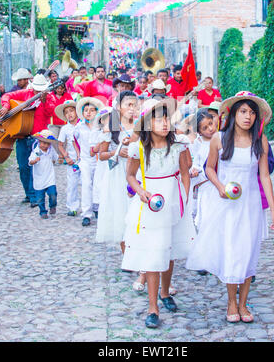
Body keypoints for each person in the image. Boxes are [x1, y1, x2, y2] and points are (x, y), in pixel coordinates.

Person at [186, 92, 274, 323]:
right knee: (231, 250)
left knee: (248, 252)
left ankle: (244, 303)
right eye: (243, 111)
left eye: (252, 112)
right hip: (227, 204)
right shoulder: (219, 138)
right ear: (234, 114)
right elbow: (209, 169)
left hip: (251, 205)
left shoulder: (260, 141)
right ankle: (231, 302)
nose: (248, 117)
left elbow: (265, 175)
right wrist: (219, 186)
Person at [122, 97, 193, 329]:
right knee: (153, 252)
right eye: (158, 119)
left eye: (167, 119)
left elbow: (185, 172)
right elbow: (131, 175)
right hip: (149, 204)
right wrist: (141, 191)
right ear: (147, 124)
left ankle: (165, 292)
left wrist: (183, 198)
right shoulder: (138, 148)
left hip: (172, 202)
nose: (164, 123)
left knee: (167, 248)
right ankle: (153, 306)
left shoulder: (178, 146)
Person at [0, 74, 57, 207]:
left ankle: (35, 196)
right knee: (24, 168)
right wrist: (6, 105)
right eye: (36, 90)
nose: (37, 92)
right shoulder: (25, 93)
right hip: (21, 135)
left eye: (40, 90)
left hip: (39, 138)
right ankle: (29, 194)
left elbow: (51, 112)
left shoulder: (50, 97)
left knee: (36, 168)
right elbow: (6, 96)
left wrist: (44, 102)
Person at [96, 91, 138, 251]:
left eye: (134, 104)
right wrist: (117, 152)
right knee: (122, 210)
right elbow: (102, 155)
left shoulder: (139, 125)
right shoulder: (111, 127)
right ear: (119, 107)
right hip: (118, 172)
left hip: (137, 170)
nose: (132, 108)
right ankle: (126, 252)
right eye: (128, 104)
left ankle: (138, 250)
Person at [73, 97, 104, 226]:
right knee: (86, 184)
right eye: (86, 110)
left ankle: (98, 208)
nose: (89, 113)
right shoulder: (79, 127)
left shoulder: (101, 127)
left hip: (99, 160)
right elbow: (74, 141)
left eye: (92, 110)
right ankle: (86, 213)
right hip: (85, 160)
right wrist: (78, 155)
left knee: (99, 184)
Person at [56, 100, 81, 217]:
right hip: (72, 160)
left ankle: (92, 206)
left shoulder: (83, 125)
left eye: (71, 111)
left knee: (88, 182)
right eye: (66, 112)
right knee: (72, 184)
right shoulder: (65, 129)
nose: (69, 114)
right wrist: (66, 157)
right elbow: (60, 144)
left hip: (85, 158)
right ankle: (72, 206)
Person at [28, 129, 58, 219]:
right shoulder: (36, 151)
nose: (45, 145)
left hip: (49, 177)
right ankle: (43, 212)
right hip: (39, 178)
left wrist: (57, 159)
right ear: (39, 141)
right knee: (40, 198)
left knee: (53, 194)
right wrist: (34, 161)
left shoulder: (51, 150)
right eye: (43, 143)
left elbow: (55, 157)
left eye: (48, 143)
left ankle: (53, 205)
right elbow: (30, 162)